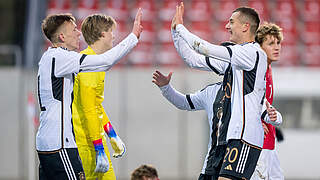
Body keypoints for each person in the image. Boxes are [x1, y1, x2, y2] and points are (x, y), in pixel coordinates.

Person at [37, 10, 142, 179]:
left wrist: (111, 134)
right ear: (62, 37)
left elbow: (95, 105)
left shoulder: (48, 58)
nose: (79, 33)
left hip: (48, 141)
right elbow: (105, 62)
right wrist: (133, 37)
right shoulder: (61, 57)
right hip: (61, 143)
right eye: (73, 30)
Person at [171, 2, 268, 179]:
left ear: (246, 27)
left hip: (246, 135)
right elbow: (193, 60)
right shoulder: (235, 57)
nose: (226, 26)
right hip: (234, 136)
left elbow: (202, 47)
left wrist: (181, 28)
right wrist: (175, 33)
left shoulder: (252, 52)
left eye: (231, 22)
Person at [72, 14, 126, 179]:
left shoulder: (95, 61)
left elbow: (96, 105)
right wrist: (98, 148)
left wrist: (112, 134)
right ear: (102, 34)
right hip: (87, 143)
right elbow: (88, 109)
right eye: (111, 31)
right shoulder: (89, 63)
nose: (113, 36)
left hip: (94, 139)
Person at [251, 22, 285, 180]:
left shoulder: (268, 67)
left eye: (278, 43)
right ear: (259, 46)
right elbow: (247, 99)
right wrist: (255, 120)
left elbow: (262, 102)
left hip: (270, 141)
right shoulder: (257, 69)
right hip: (259, 143)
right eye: (271, 43)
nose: (277, 47)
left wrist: (272, 125)